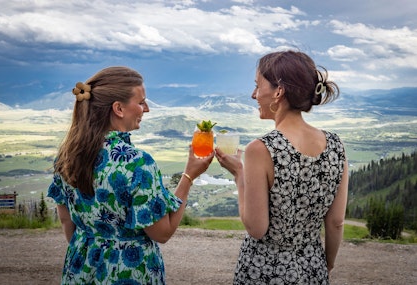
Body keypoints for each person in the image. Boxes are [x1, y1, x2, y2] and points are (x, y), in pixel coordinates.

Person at [47, 66, 213, 284]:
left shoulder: (67, 155)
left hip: (79, 269)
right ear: (119, 108)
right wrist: (189, 176)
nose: (147, 109)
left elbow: (66, 219)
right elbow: (162, 233)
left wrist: (93, 249)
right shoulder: (138, 163)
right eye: (142, 102)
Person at [215, 50, 348, 284]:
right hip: (312, 267)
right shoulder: (336, 145)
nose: (253, 94)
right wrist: (326, 265)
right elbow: (336, 222)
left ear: (278, 91)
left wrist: (239, 174)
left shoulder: (261, 149)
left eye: (258, 86)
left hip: (264, 271)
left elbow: (256, 228)